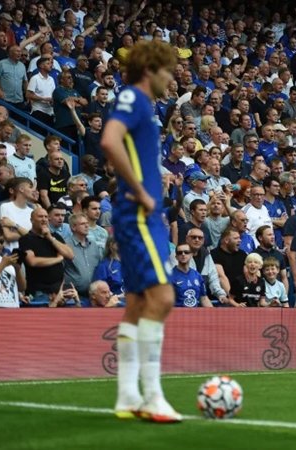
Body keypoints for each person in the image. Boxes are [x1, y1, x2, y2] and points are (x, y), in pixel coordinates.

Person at [100, 40, 182, 422]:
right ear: (151, 70)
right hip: (137, 213)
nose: (172, 76)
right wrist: (142, 193)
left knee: (135, 304)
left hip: (136, 214)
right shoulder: (133, 99)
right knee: (162, 298)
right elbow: (109, 140)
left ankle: (127, 396)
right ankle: (152, 395)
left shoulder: (143, 104)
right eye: (167, 70)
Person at [19, 207, 74, 302]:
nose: (44, 219)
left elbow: (70, 255)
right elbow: (32, 261)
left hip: (59, 292)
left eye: (46, 216)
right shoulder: (26, 239)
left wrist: (50, 238)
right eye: (40, 216)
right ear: (32, 220)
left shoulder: (55, 237)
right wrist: (58, 259)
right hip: (39, 292)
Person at [171, 244, 213, 308]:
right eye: (180, 253)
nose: (183, 254)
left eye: (186, 252)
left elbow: (204, 298)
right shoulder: (169, 276)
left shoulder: (197, 276)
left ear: (191, 255)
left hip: (194, 315)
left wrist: (213, 314)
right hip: (177, 315)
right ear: (176, 256)